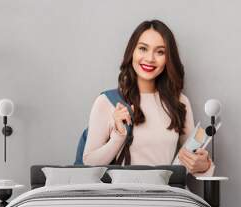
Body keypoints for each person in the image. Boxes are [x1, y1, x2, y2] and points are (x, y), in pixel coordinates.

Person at [83, 19, 214, 176]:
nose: (150, 58)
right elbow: (89, 164)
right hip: (124, 197)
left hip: (166, 196)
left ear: (168, 58)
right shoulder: (108, 101)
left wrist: (203, 165)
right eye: (143, 49)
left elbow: (190, 162)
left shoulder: (179, 102)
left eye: (160, 52)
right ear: (132, 51)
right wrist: (119, 136)